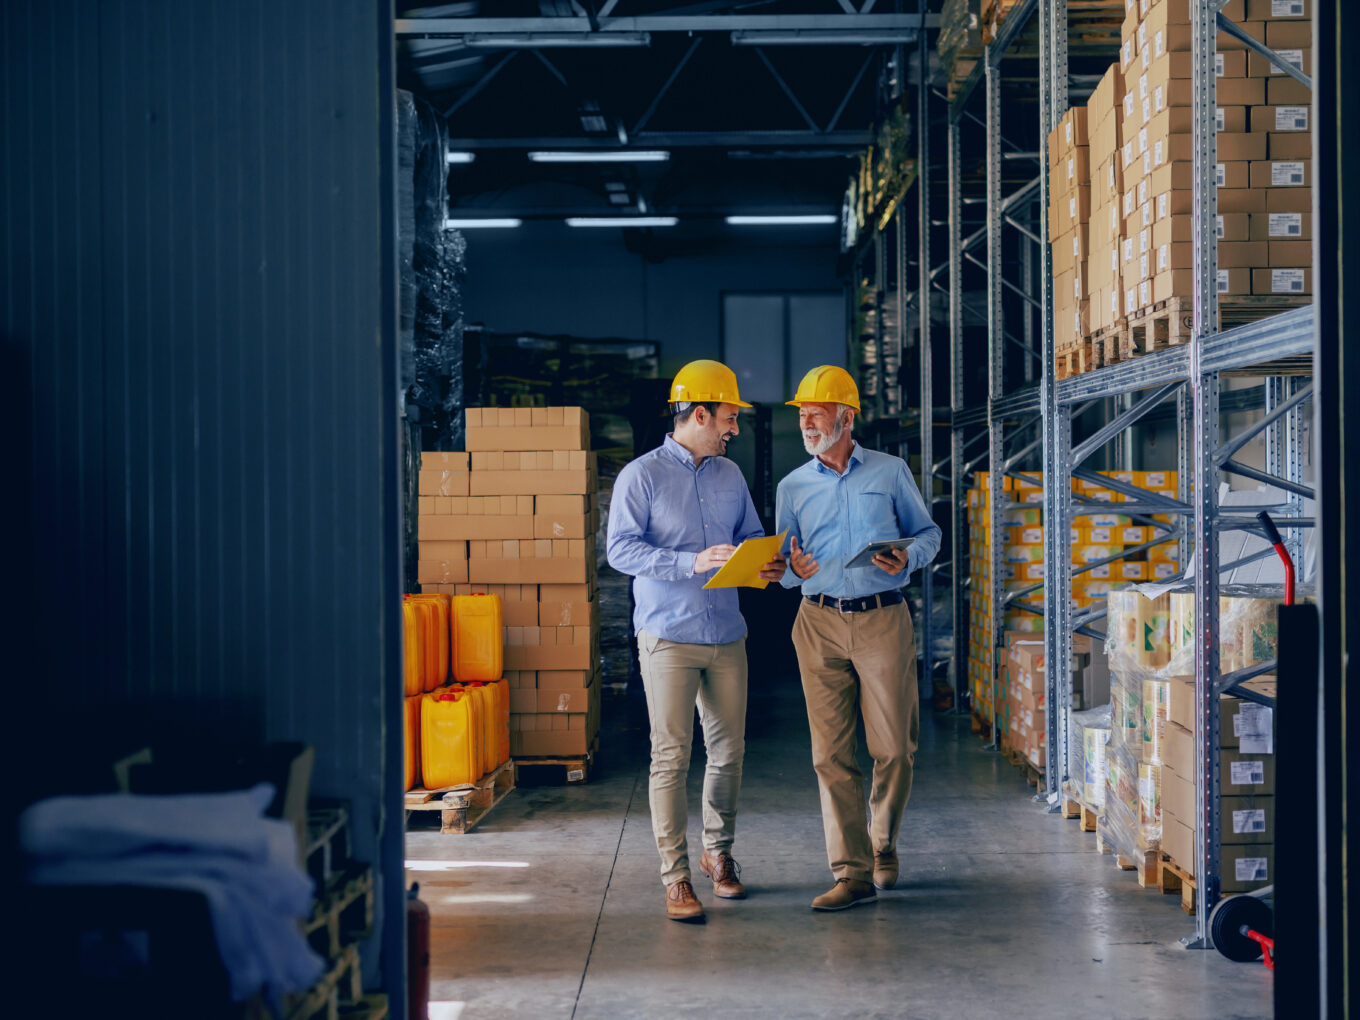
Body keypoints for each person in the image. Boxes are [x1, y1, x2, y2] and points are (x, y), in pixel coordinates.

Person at [606, 359, 786, 923]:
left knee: (729, 752)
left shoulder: (730, 476)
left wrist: (766, 563)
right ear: (700, 413)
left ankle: (718, 854)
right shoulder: (642, 475)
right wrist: (690, 561)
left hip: (726, 632)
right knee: (671, 756)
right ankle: (676, 876)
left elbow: (751, 537)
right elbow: (620, 551)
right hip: (668, 634)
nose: (734, 428)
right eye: (729, 418)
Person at [776, 365, 942, 912]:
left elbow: (929, 533)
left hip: (881, 618)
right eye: (802, 413)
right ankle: (852, 872)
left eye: (816, 411)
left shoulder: (892, 473)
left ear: (846, 417)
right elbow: (784, 567)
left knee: (894, 746)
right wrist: (791, 568)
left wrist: (908, 558)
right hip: (817, 620)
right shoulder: (792, 486)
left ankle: (883, 840)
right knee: (830, 755)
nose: (806, 420)